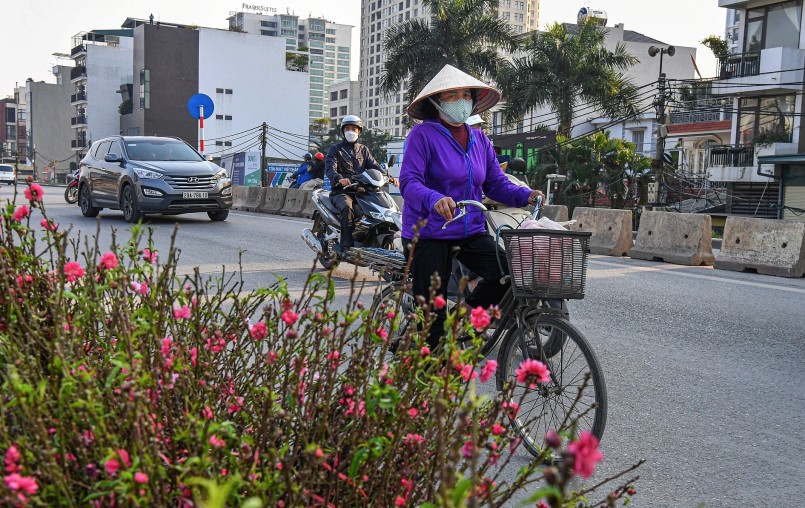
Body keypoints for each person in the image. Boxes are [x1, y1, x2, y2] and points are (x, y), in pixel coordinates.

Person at [398, 64, 544, 351]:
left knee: (509, 274)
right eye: (452, 95)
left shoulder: (480, 140)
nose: (461, 101)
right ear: (437, 102)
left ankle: (462, 315)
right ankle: (431, 370)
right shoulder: (422, 135)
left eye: (466, 95)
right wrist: (434, 199)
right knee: (433, 316)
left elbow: (496, 184)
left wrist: (526, 195)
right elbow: (409, 182)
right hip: (429, 232)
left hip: (470, 229)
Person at [325, 115, 398, 255]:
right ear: (343, 131)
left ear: (359, 131)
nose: (351, 131)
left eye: (354, 128)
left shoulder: (363, 149)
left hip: (361, 191)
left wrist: (388, 177)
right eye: (347, 128)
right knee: (347, 208)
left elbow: (375, 166)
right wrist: (339, 178)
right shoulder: (335, 149)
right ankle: (345, 246)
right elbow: (330, 169)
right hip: (342, 191)